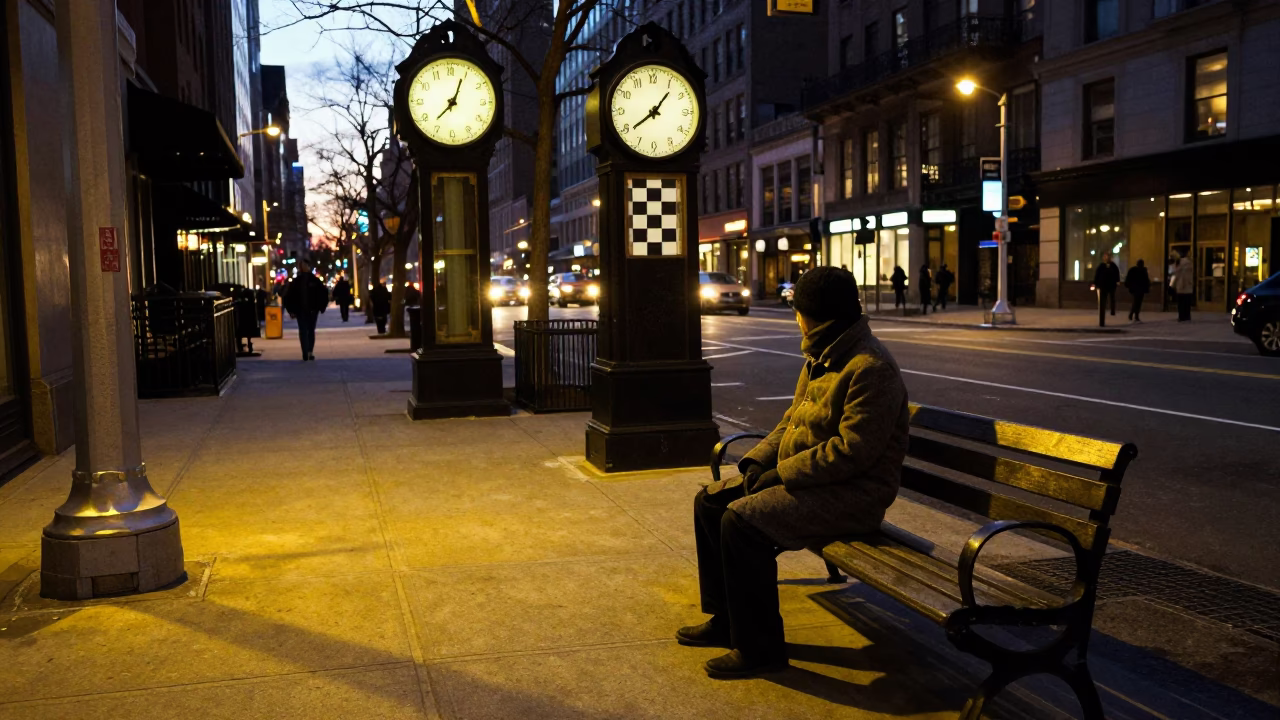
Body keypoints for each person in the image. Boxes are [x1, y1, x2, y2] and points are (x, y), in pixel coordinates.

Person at [677, 266, 909, 679]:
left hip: (855, 494)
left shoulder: (868, 368)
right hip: (815, 482)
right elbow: (790, 420)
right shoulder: (823, 354)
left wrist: (783, 474)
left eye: (798, 310)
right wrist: (758, 462)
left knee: (741, 522)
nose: (795, 318)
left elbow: (852, 453)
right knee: (710, 502)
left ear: (812, 315)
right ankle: (726, 618)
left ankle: (760, 647)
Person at [283, 260, 329, 361]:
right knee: (303, 330)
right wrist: (291, 310)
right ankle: (305, 352)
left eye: (304, 265)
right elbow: (289, 296)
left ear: (308, 266)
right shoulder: (296, 281)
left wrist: (321, 307)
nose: (303, 267)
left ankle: (309, 351)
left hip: (312, 310)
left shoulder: (314, 281)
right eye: (301, 265)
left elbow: (323, 294)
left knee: (310, 330)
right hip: (301, 310)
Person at [1091, 252, 1121, 327]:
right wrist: (1095, 283)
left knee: (1112, 298)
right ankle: (1102, 322)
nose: (1106, 258)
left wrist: (1117, 281)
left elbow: (1117, 274)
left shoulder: (1113, 266)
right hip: (1103, 286)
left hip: (1110, 286)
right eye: (1105, 257)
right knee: (1102, 304)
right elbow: (1097, 275)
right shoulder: (1101, 266)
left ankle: (1112, 310)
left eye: (1108, 257)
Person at [1173, 252, 1195, 322]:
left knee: (1181, 304)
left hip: (1181, 287)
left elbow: (1175, 276)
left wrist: (1172, 284)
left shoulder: (1180, 265)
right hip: (1187, 287)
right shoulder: (1189, 264)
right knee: (1186, 303)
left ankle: (1182, 316)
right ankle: (1186, 316)